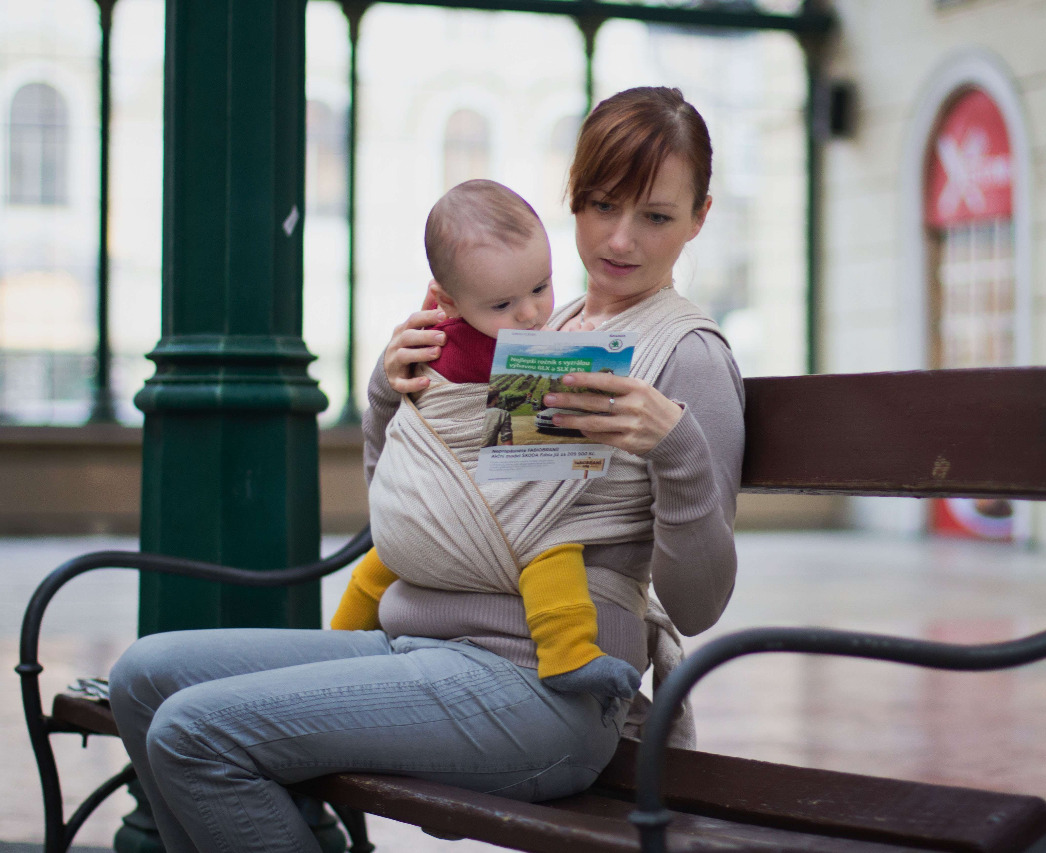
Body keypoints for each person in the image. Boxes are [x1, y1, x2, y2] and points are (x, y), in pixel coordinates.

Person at [108, 86, 744, 853]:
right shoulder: (537, 319)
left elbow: (699, 604)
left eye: (657, 215)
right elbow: (411, 505)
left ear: (700, 217)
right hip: (420, 642)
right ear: (571, 198)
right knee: (143, 675)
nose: (619, 238)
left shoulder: (691, 355)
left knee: (194, 734)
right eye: (601, 204)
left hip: (543, 690)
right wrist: (393, 392)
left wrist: (676, 450)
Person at [330, 177, 641, 702]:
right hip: (475, 500)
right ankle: (568, 652)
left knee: (383, 560)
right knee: (551, 546)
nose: (528, 314)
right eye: (502, 305)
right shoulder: (497, 352)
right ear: (447, 301)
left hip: (422, 517)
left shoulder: (427, 339)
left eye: (541, 287)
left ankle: (340, 640)